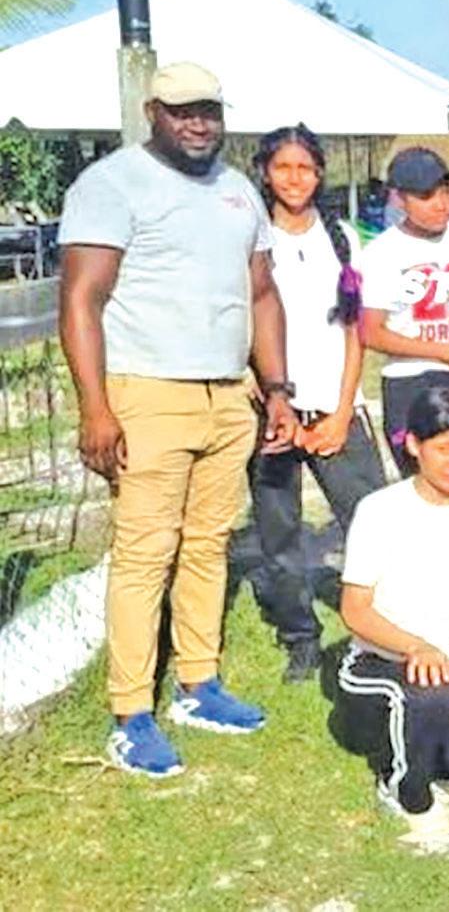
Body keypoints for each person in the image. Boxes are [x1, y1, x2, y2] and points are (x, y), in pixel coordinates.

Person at [58, 62, 298, 777]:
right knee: (144, 554)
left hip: (227, 395)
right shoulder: (111, 184)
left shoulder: (237, 189)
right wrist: (95, 406)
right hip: (147, 393)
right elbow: (81, 300)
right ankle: (130, 713)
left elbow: (262, 294)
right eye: (183, 111)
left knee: (207, 546)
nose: (198, 124)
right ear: (153, 111)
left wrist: (276, 387)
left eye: (209, 112)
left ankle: (199, 684)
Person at [333, 387, 449, 816]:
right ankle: (403, 788)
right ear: (415, 445)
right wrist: (417, 647)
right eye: (445, 449)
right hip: (384, 662)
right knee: (428, 693)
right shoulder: (379, 510)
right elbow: (355, 609)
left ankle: (423, 743)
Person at [245, 124, 388, 684]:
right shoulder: (251, 237)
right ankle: (300, 637)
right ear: (265, 172)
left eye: (305, 168)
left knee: (372, 519)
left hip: (333, 408)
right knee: (280, 531)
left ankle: (383, 624)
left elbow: (355, 330)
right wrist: (264, 389)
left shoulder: (343, 238)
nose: (294, 178)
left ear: (320, 173)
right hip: (273, 412)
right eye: (283, 167)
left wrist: (341, 411)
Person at [358, 147, 449, 490]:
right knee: (427, 487)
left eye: (446, 191)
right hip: (412, 380)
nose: (441, 204)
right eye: (425, 196)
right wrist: (443, 351)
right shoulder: (381, 253)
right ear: (399, 198)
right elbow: (371, 332)